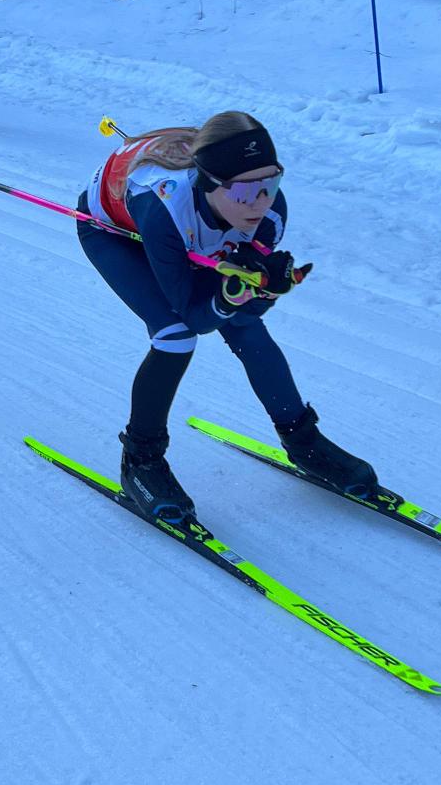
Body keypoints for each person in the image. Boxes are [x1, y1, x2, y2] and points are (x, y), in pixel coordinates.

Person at [77, 111, 377, 523]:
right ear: (208, 183)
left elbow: (242, 310)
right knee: (175, 335)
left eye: (270, 185)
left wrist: (262, 290)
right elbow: (196, 316)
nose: (259, 203)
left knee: (246, 325)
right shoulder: (162, 204)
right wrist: (231, 296)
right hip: (114, 231)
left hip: (185, 225)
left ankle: (303, 440)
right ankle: (140, 461)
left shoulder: (269, 212)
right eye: (243, 192)